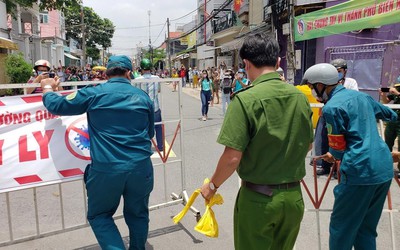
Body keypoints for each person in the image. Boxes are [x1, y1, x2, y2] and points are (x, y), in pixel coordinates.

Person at [200, 33, 314, 250]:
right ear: (278, 62)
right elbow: (308, 144)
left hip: (259, 201)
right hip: (293, 199)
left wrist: (212, 186)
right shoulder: (300, 97)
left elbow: (232, 158)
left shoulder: (245, 99)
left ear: (246, 63)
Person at [40, 55, 155, 250]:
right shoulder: (142, 97)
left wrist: (47, 88)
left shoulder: (94, 93)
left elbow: (57, 105)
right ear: (129, 73)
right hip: (141, 167)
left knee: (99, 215)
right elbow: (150, 132)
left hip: (107, 169)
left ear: (106, 73)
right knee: (138, 215)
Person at [302, 63, 397, 250]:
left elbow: (337, 148)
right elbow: (391, 115)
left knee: (342, 230)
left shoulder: (331, 108)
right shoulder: (362, 97)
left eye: (313, 87)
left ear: (321, 85)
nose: (312, 91)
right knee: (366, 230)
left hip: (359, 171)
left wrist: (332, 155)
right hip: (384, 170)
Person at [135, 58, 164, 151]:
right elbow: (159, 90)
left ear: (142, 69)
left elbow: (135, 93)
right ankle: (161, 146)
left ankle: (146, 147)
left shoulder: (137, 79)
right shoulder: (157, 78)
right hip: (155, 107)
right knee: (158, 127)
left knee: (144, 128)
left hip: (143, 108)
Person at [380, 75, 400, 178]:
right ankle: (385, 165)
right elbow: (386, 101)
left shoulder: (397, 91)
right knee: (387, 143)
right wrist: (383, 94)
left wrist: (397, 93)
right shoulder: (397, 87)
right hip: (393, 120)